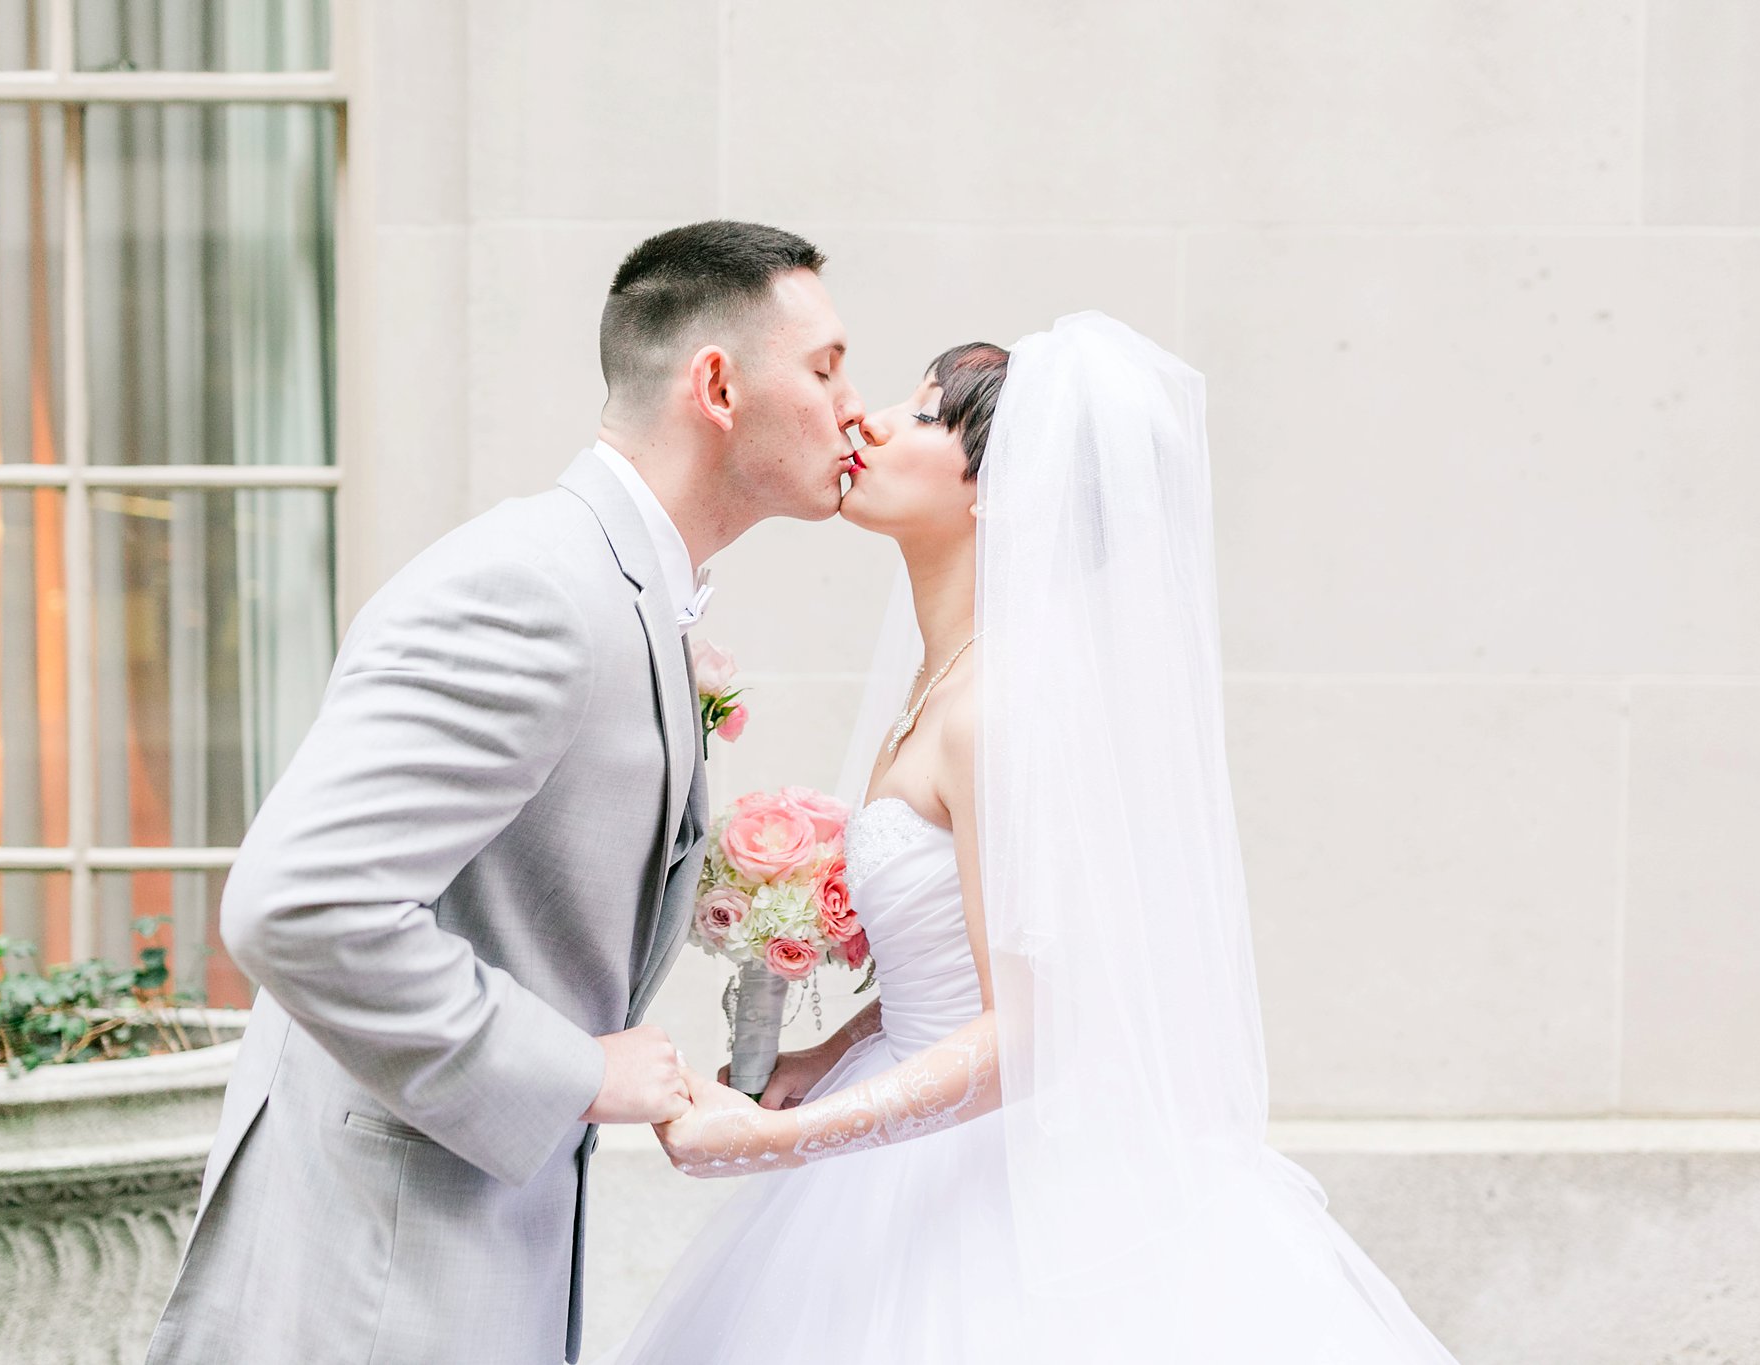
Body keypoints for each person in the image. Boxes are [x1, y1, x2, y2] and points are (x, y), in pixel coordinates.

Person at [605, 314, 1464, 1363]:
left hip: (997, 1186)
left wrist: (777, 1139)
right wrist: (830, 1047)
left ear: (994, 490)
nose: (864, 422)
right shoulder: (941, 687)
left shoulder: (998, 710)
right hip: (914, 1140)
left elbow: (1034, 1028)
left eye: (920, 415)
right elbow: (967, 975)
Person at [145, 220, 866, 1365]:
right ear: (717, 385)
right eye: (825, 369)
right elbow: (297, 902)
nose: (853, 411)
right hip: (380, 1267)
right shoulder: (532, 588)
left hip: (471, 1230)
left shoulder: (621, 592)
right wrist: (580, 1071)